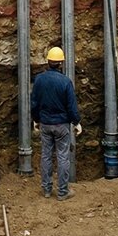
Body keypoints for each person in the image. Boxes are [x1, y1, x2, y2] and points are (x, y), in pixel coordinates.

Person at [31, 47, 81, 201]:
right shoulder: (65, 82)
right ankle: (62, 192)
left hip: (45, 123)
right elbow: (71, 106)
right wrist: (76, 122)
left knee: (46, 156)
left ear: (48, 61)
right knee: (63, 157)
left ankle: (46, 190)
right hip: (61, 125)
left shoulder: (39, 79)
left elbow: (34, 102)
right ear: (61, 63)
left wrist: (36, 119)